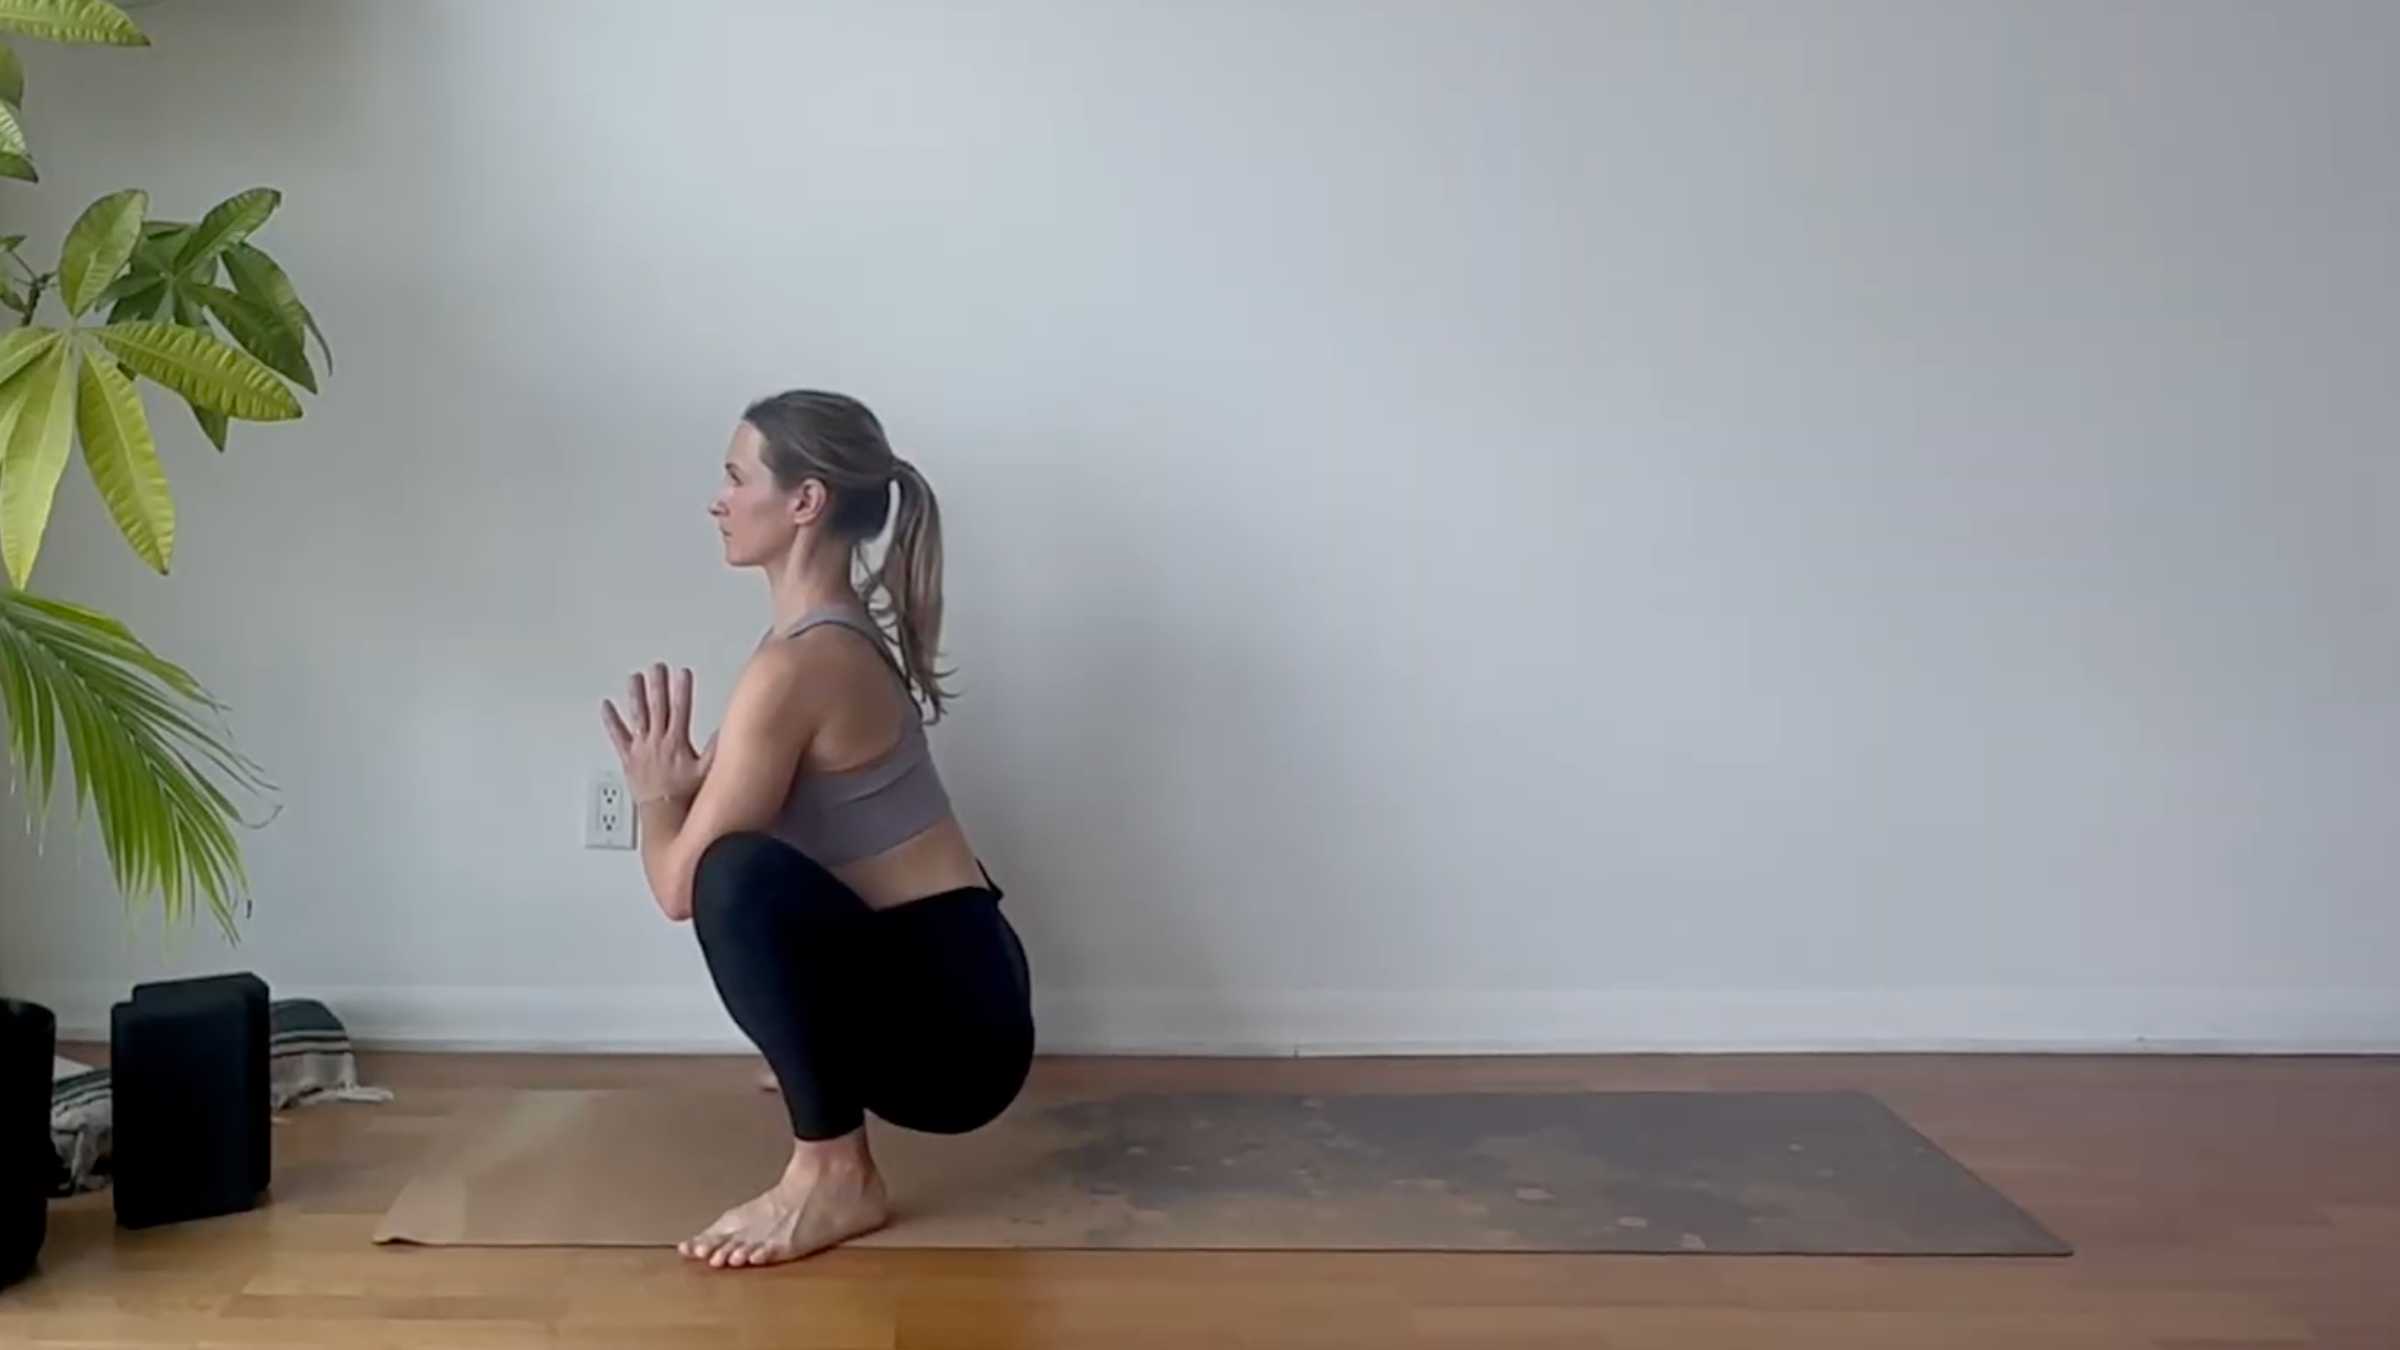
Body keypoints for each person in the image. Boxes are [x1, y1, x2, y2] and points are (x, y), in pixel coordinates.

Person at [600, 390, 1034, 1270]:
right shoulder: (818, 644)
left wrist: (654, 797)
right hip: (976, 984)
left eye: (735, 477)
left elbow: (681, 888)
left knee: (732, 876)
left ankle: (834, 1173)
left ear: (805, 502)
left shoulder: (797, 666)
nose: (717, 499)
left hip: (960, 1039)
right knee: (748, 862)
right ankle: (824, 1070)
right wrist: (688, 786)